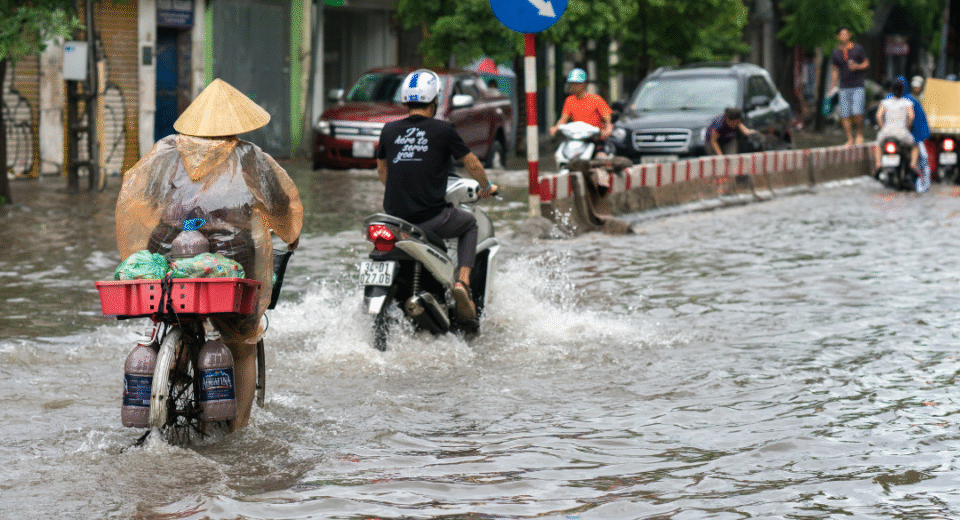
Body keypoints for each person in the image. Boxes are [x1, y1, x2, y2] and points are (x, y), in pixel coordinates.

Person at [115, 78, 303, 431]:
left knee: (177, 309)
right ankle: (238, 428)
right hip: (229, 257)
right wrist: (289, 235)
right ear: (236, 124)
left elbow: (143, 201)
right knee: (242, 341)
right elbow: (281, 206)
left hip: (166, 251)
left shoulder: (166, 152)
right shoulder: (249, 156)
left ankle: (173, 363)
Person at [375, 69, 498, 321]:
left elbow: (382, 168)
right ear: (434, 101)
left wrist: (398, 191)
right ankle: (462, 282)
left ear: (405, 101)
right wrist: (486, 187)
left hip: (395, 220)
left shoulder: (388, 130)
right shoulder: (443, 130)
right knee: (469, 224)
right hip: (431, 219)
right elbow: (472, 163)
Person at [830, 26, 870, 145]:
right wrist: (832, 85)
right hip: (843, 86)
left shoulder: (858, 49)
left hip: (858, 85)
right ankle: (849, 138)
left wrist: (857, 66)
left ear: (849, 35)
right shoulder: (836, 52)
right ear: (837, 37)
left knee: (857, 112)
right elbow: (835, 70)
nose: (844, 36)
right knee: (844, 114)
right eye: (841, 35)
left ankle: (859, 134)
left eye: (846, 34)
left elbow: (866, 63)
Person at [549, 68, 614, 141]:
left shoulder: (596, 99)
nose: (573, 86)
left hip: (595, 138)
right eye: (571, 84)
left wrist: (608, 128)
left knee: (601, 153)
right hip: (576, 137)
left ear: (584, 84)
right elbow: (563, 119)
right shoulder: (569, 100)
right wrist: (556, 128)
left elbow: (607, 119)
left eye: (577, 84)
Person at [894, 75, 932, 192]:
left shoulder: (888, 100)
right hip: (909, 137)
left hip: (893, 136)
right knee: (923, 158)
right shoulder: (911, 101)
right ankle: (924, 183)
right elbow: (916, 121)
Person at [873, 78, 917, 175]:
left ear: (891, 90)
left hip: (887, 133)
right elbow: (911, 116)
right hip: (902, 133)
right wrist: (907, 126)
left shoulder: (885, 102)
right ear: (903, 90)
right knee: (914, 147)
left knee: (878, 145)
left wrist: (882, 127)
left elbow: (878, 116)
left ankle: (878, 164)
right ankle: (913, 165)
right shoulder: (907, 102)